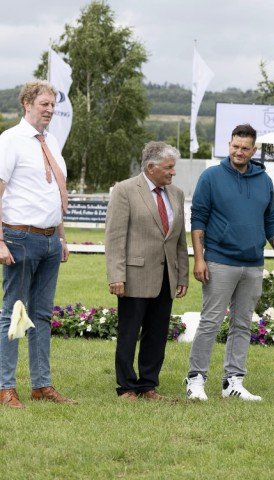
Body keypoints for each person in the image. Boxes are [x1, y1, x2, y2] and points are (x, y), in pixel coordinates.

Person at [185, 124, 274, 402]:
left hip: (253, 263)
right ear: (229, 145)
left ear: (253, 150)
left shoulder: (264, 180)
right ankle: (195, 380)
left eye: (245, 148)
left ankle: (233, 382)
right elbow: (198, 218)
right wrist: (199, 258)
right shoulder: (211, 177)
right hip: (219, 261)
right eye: (235, 146)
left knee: (242, 324)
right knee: (210, 322)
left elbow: (270, 220)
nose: (239, 152)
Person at [0, 80, 75, 408]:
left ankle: (41, 385)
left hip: (48, 241)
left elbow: (55, 191)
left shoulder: (52, 141)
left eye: (53, 105)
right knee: (13, 314)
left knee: (42, 315)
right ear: (27, 104)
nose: (50, 110)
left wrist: (61, 237)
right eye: (45, 104)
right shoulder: (10, 141)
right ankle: (6, 387)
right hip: (18, 238)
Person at [105, 141, 189, 401]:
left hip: (166, 277)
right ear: (151, 168)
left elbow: (179, 239)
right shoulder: (125, 190)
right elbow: (115, 236)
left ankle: (148, 386)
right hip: (134, 276)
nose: (173, 172)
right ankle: (126, 387)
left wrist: (182, 274)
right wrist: (116, 275)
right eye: (169, 167)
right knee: (129, 333)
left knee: (157, 334)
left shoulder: (176, 193)